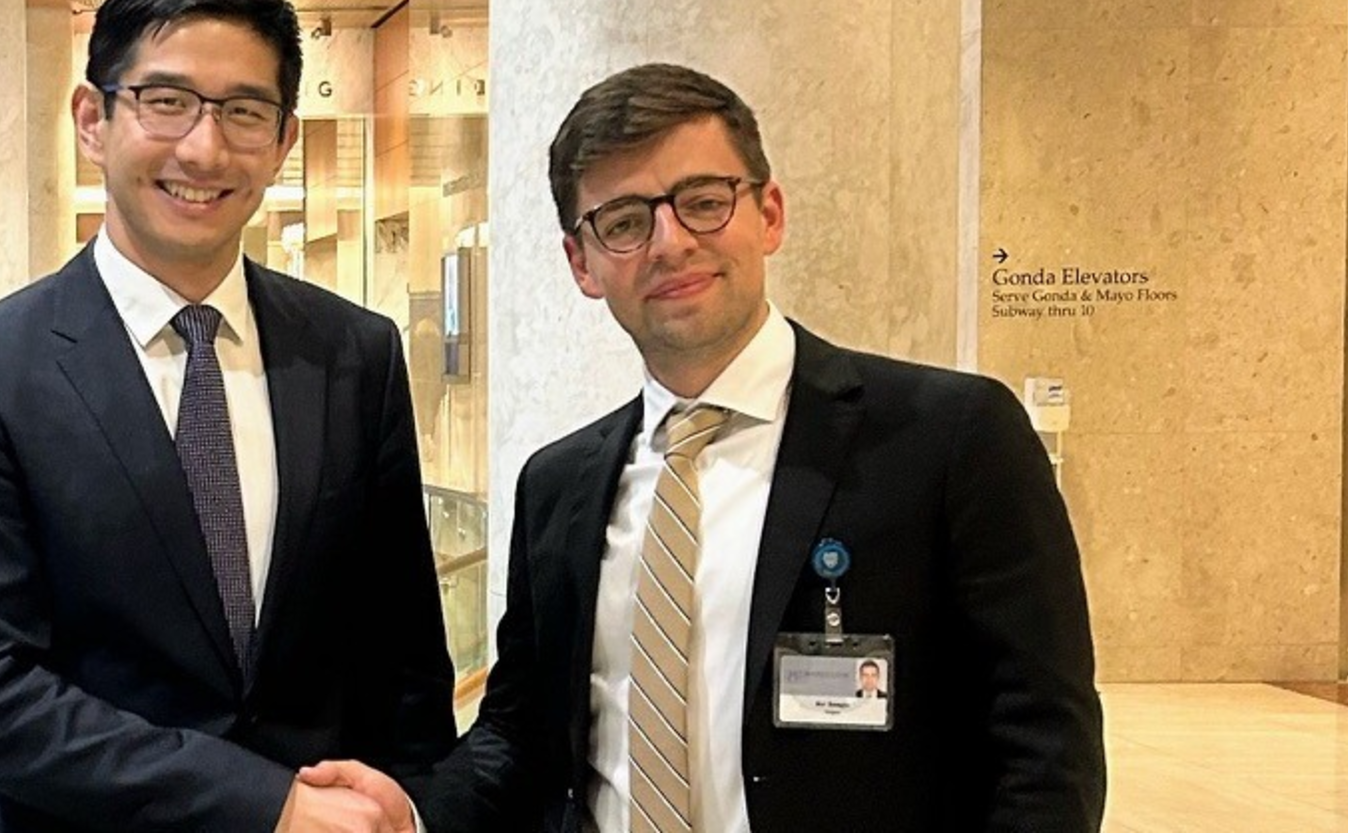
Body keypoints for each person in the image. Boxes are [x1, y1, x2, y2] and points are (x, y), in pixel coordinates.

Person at [308, 63, 1105, 832]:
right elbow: (520, 732)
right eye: (624, 222)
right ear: (582, 263)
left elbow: (1044, 749)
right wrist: (417, 813)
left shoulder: (950, 440)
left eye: (703, 202)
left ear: (770, 213)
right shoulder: (558, 485)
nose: (670, 241)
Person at [0, 0, 455, 830]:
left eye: (244, 112)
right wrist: (263, 804)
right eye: (166, 102)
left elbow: (404, 653)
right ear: (93, 119)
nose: (204, 148)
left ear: (283, 140)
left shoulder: (356, 352)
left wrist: (416, 809)